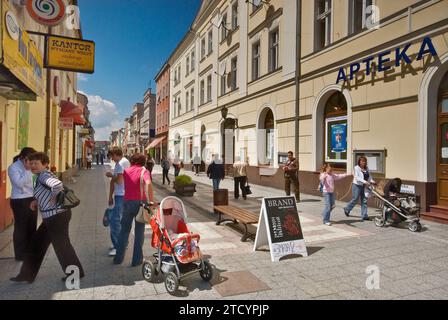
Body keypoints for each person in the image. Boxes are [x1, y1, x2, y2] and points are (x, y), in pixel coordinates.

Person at [10, 152, 84, 283]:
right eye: (31, 163)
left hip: (56, 217)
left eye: (36, 163)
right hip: (52, 217)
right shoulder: (40, 176)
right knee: (37, 244)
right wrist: (36, 201)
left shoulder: (43, 175)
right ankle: (26, 275)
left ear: (44, 164)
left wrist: (54, 197)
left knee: (62, 246)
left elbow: (56, 185)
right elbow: (46, 191)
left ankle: (75, 274)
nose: (33, 165)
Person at [113, 153, 155, 267]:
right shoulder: (144, 171)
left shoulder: (126, 170)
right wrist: (151, 201)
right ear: (143, 162)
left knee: (124, 230)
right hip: (140, 204)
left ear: (132, 161)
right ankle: (136, 260)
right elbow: (149, 183)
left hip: (126, 202)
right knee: (139, 232)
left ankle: (118, 258)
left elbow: (120, 181)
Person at [7, 147, 37, 261]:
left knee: (31, 226)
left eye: (33, 160)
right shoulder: (13, 168)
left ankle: (30, 252)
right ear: (22, 158)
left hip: (32, 198)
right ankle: (20, 254)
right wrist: (28, 170)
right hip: (19, 200)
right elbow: (19, 184)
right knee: (21, 228)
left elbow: (34, 182)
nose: (31, 163)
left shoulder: (32, 166)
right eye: (29, 160)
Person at [105, 147, 130, 257]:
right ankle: (123, 243)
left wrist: (111, 175)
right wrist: (110, 195)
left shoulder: (121, 164)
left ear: (116, 154)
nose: (111, 158)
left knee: (115, 222)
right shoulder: (122, 163)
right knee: (120, 221)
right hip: (122, 195)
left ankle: (118, 247)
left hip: (121, 195)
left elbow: (119, 181)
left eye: (112, 156)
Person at [344, 156, 376, 221]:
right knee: (355, 199)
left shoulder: (367, 168)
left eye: (364, 161)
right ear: (359, 162)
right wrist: (365, 182)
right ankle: (347, 209)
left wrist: (372, 181)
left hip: (364, 186)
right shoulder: (356, 168)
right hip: (357, 185)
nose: (363, 162)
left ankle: (364, 215)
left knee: (364, 200)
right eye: (362, 161)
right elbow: (357, 177)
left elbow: (369, 177)